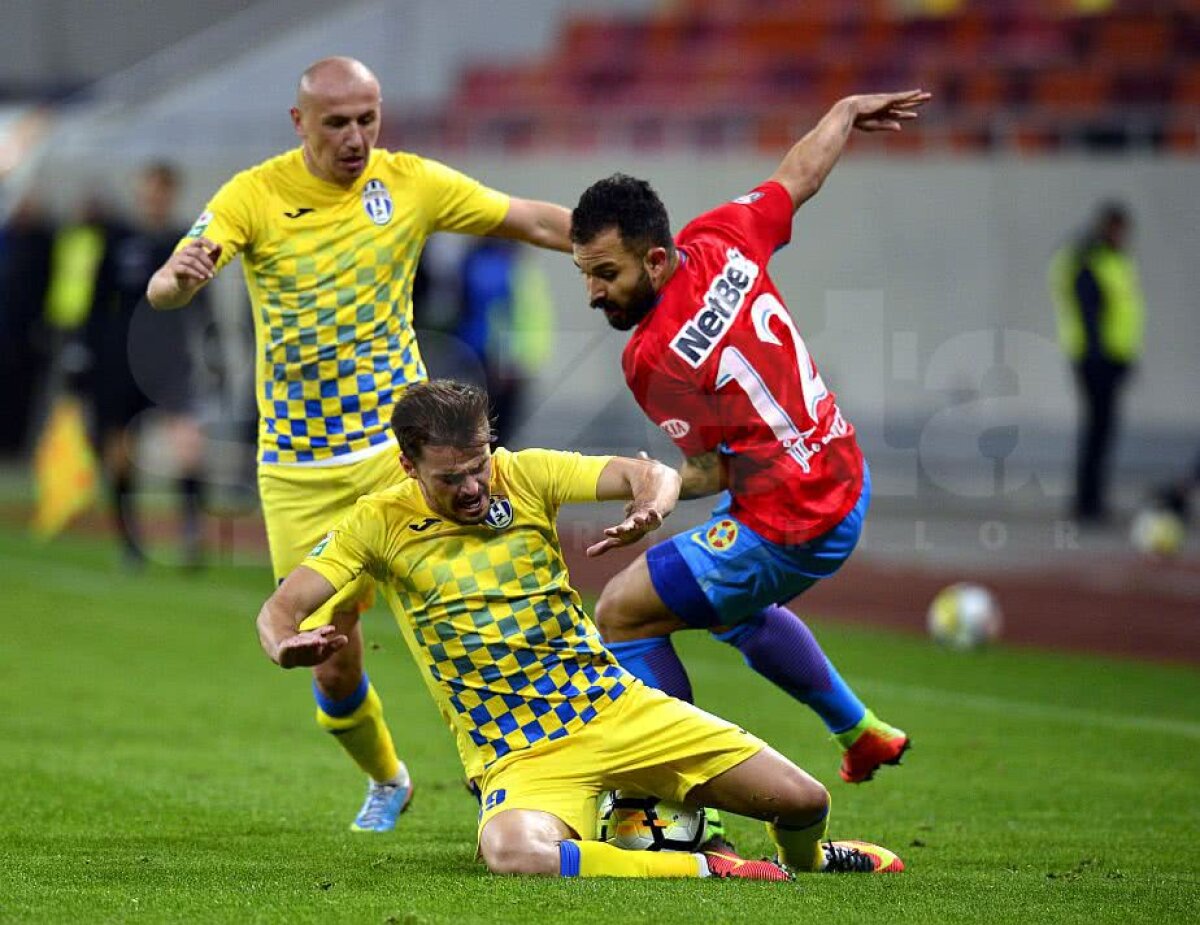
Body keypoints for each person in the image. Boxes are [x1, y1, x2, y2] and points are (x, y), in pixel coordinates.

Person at [146, 56, 572, 832]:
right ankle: (387, 778)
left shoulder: (410, 182)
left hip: (399, 453)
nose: (355, 137)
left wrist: (632, 247)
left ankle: (513, 767)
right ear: (299, 122)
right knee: (333, 655)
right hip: (298, 469)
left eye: (367, 119)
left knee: (469, 613)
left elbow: (531, 220)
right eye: (337, 122)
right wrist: (177, 277)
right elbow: (169, 285)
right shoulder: (253, 194)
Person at [256, 380, 904, 879]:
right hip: (519, 753)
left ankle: (812, 860)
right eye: (451, 478)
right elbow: (282, 606)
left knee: (804, 800)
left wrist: (651, 502)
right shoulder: (377, 523)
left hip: (613, 706)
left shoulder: (526, 473)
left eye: (479, 465)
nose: (474, 486)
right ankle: (703, 866)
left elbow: (649, 473)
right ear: (408, 465)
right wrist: (285, 642)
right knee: (512, 852)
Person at [569, 90, 931, 803]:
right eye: (583, 273)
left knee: (621, 612)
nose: (592, 293)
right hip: (842, 474)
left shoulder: (651, 357)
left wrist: (643, 487)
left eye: (606, 274)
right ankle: (859, 731)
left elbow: (709, 471)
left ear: (656, 260)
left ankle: (684, 801)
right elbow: (800, 175)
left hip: (790, 517)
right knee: (725, 607)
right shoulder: (723, 236)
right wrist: (843, 112)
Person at [84, 163, 210, 569]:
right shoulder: (118, 239)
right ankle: (130, 542)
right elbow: (97, 302)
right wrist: (85, 354)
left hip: (170, 359)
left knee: (188, 445)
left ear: (171, 194)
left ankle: (191, 533)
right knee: (120, 452)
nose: (155, 198)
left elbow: (202, 305)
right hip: (120, 360)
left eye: (162, 191)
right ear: (141, 192)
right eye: (150, 190)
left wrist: (212, 351)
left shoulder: (183, 242)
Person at [1049, 201, 1145, 525]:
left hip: (1110, 356)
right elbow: (1089, 311)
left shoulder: (1110, 259)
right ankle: (1087, 502)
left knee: (1101, 430)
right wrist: (1100, 356)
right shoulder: (1091, 259)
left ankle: (1091, 500)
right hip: (1096, 358)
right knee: (1097, 430)